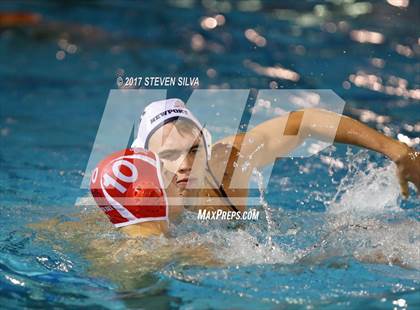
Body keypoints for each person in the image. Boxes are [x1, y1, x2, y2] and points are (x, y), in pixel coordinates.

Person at [93, 98, 420, 237]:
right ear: (147, 161)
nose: (186, 165)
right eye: (169, 154)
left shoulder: (228, 161)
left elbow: (304, 122)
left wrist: (396, 150)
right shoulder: (142, 204)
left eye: (194, 150)